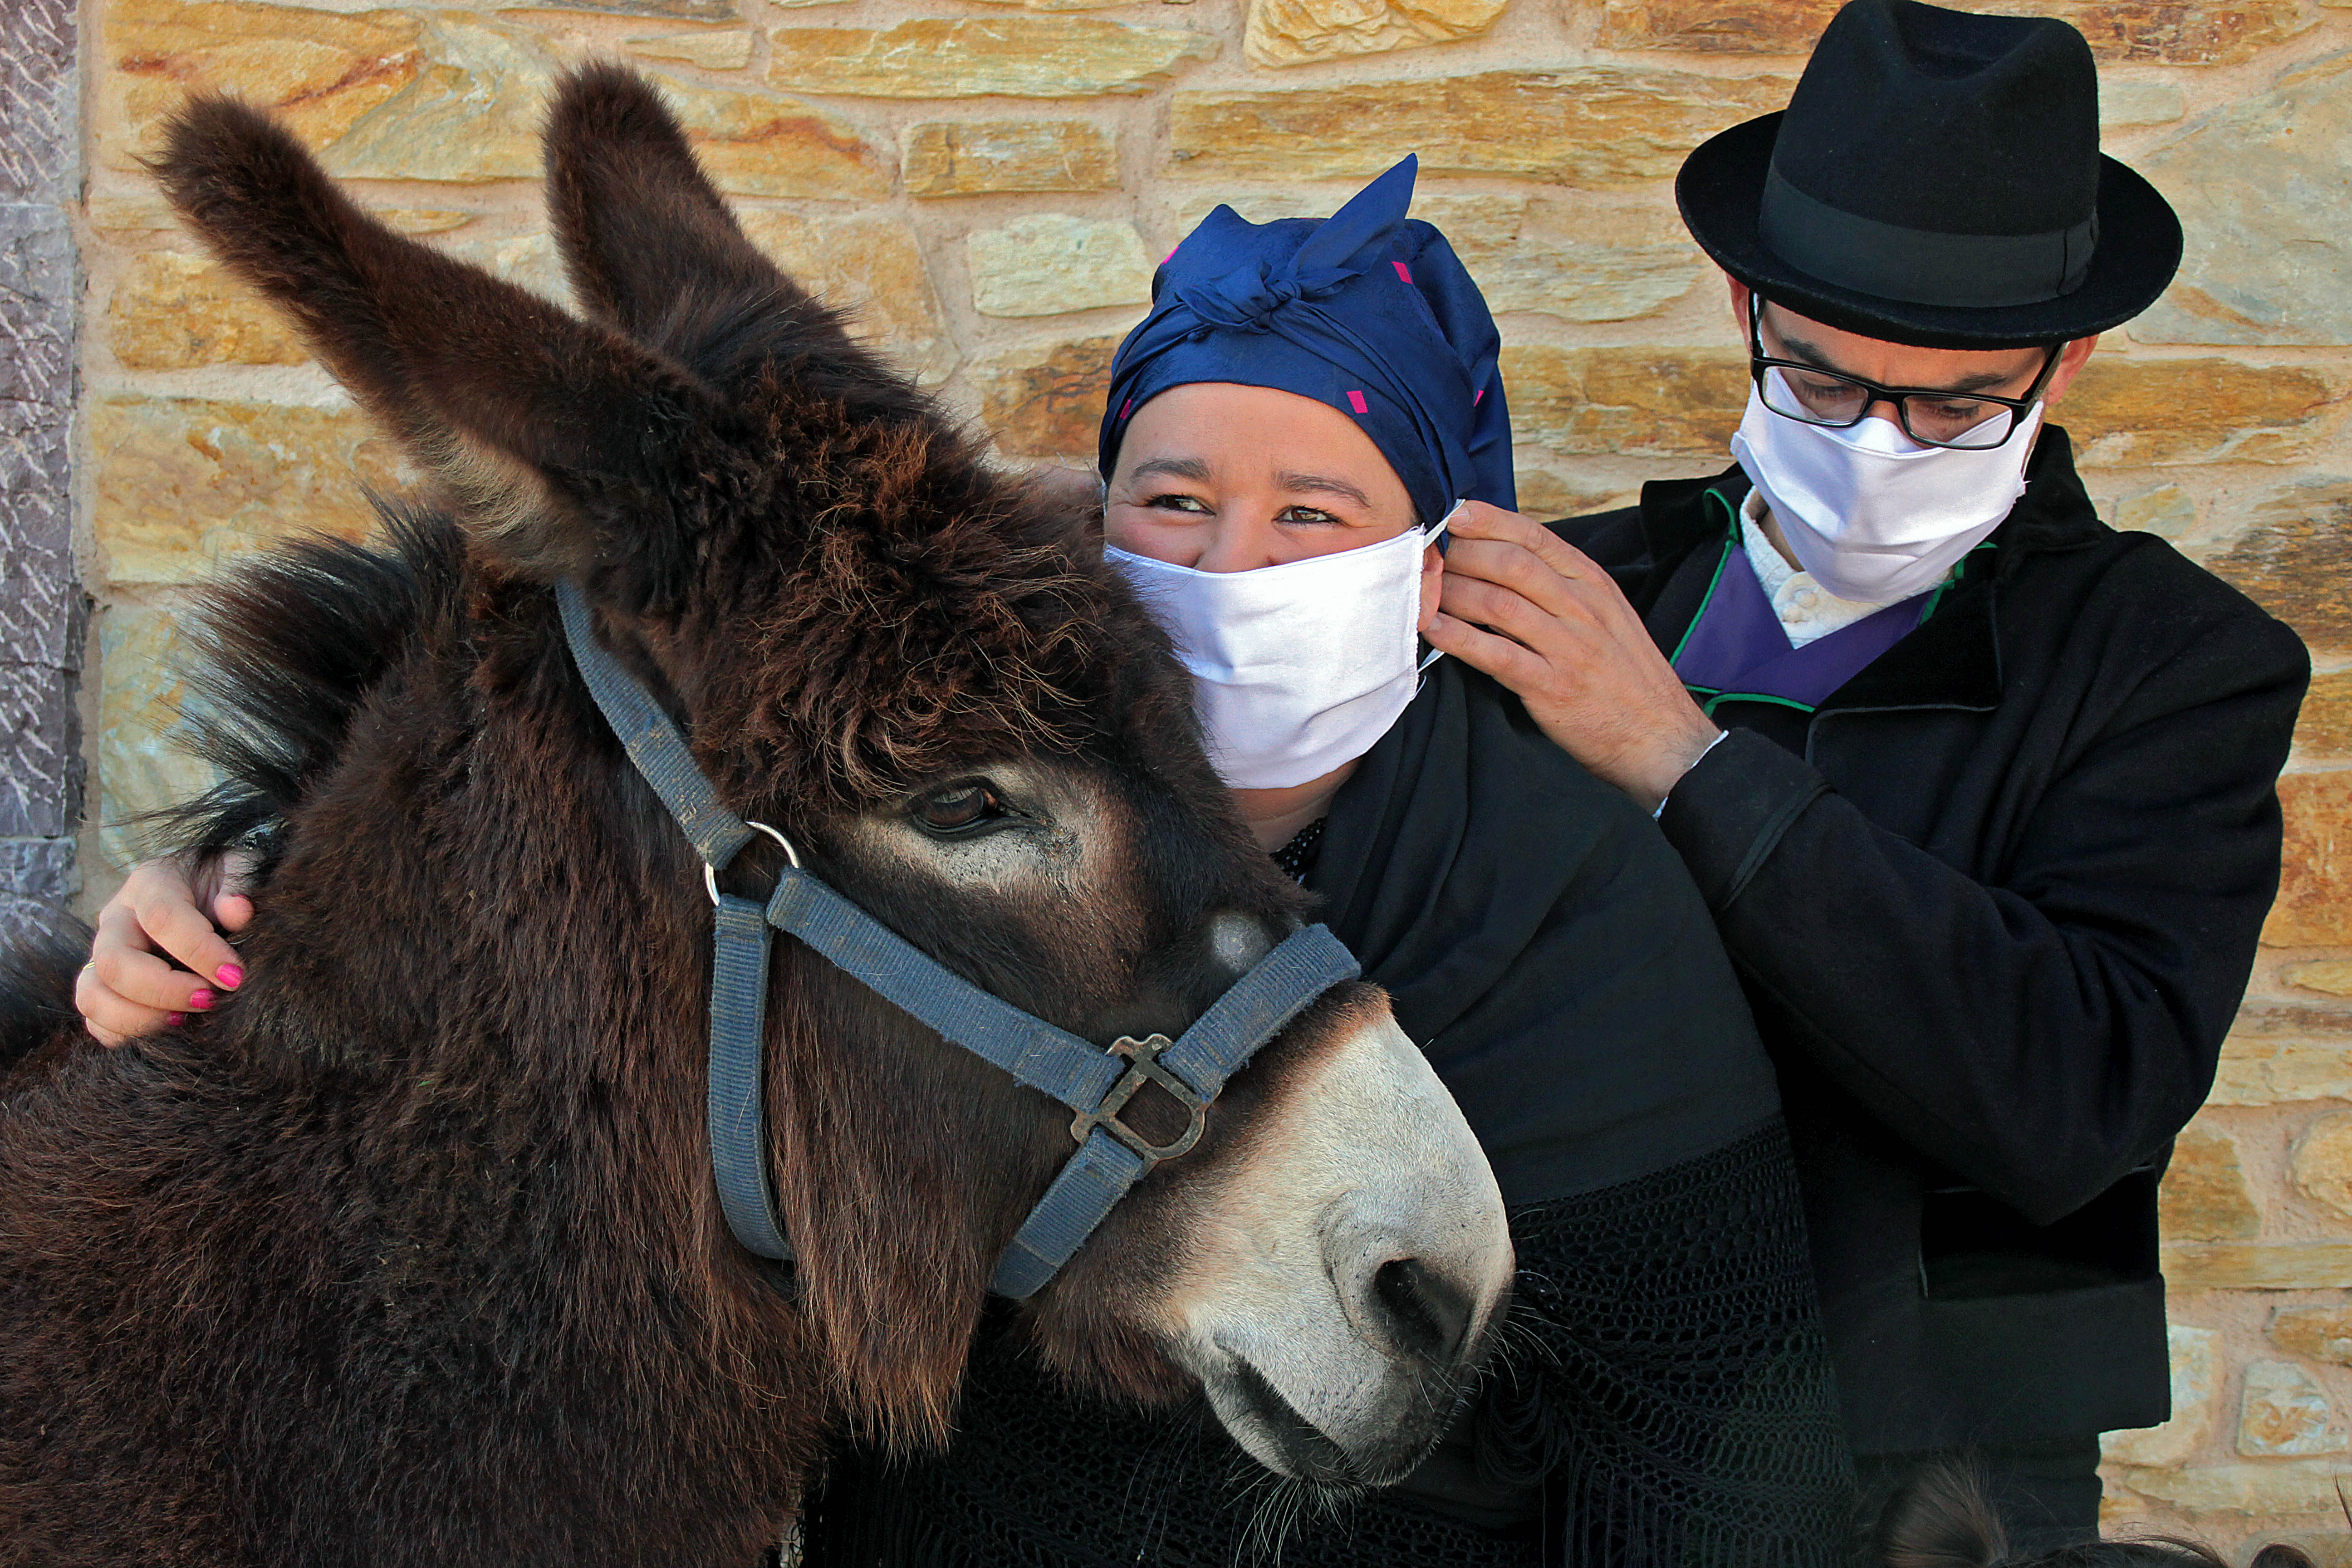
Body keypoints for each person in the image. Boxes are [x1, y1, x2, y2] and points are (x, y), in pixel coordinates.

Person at [80, 161, 1857, 1563]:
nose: (1230, 560)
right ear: (1089, 522)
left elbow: (1719, 1475)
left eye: (1315, 513)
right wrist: (244, 901)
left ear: (1439, 549)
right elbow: (600, 952)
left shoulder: (1578, 918)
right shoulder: (963, 782)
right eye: (1172, 498)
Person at [1418, 0, 2310, 1548]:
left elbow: (2081, 1095)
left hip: (1933, 1472)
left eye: (1959, 403)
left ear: (2069, 358)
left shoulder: (2181, 661)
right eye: (1824, 384)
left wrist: (1687, 767)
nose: (1879, 440)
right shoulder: (1581, 597)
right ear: (1744, 306)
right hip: (1553, 1429)